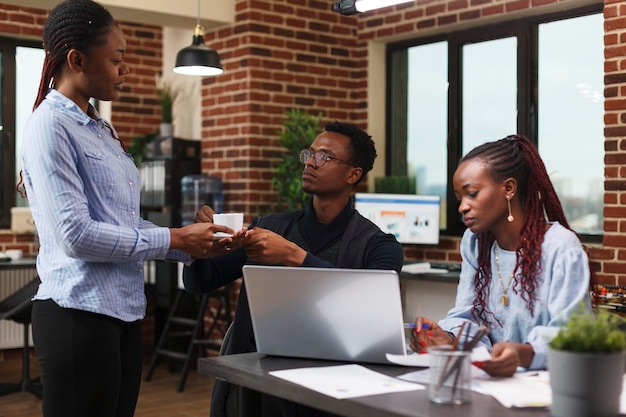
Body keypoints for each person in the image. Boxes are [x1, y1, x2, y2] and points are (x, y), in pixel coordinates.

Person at [18, 1, 233, 416]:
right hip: (77, 314)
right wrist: (172, 237)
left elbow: (121, 225)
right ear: (76, 60)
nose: (125, 69)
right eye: (116, 59)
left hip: (121, 312)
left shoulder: (100, 128)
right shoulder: (50, 125)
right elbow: (76, 236)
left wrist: (190, 245)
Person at [184, 121, 404, 417]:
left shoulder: (378, 246)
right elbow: (200, 281)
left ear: (354, 174)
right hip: (260, 381)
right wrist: (200, 243)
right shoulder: (268, 228)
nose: (311, 162)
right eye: (310, 154)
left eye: (324, 157)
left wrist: (293, 255)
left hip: (339, 384)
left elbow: (370, 310)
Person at [410, 134, 595, 377]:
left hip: (548, 389)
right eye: (459, 198)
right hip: (491, 384)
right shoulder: (475, 243)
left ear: (508, 188)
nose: (462, 207)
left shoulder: (560, 247)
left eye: (472, 193)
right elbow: (468, 315)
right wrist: (447, 338)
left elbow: (574, 336)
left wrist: (523, 354)